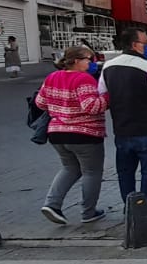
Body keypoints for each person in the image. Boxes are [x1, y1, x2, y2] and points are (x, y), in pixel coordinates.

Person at [99, 25, 147, 225]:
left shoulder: (108, 67)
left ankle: (130, 210)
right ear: (135, 44)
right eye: (146, 44)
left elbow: (102, 96)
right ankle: (144, 213)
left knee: (125, 173)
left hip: (122, 131)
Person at [35, 46, 109, 225]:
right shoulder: (83, 79)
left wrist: (60, 107)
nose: (91, 63)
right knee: (91, 172)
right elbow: (91, 106)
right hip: (84, 134)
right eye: (87, 59)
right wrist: (107, 97)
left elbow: (40, 102)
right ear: (76, 61)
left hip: (57, 133)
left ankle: (52, 204)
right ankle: (88, 212)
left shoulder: (52, 77)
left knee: (70, 168)